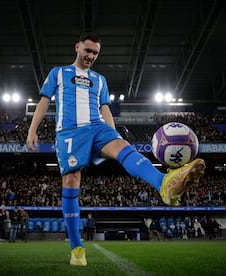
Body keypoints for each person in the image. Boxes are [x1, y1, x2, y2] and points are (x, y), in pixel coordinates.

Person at [26, 32, 205, 266]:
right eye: (88, 50)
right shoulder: (58, 73)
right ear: (77, 47)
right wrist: (32, 130)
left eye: (95, 53)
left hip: (98, 127)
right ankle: (76, 248)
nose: (91, 56)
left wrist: (113, 134)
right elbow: (44, 101)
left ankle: (165, 184)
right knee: (71, 181)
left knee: (124, 147)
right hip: (69, 132)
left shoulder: (99, 79)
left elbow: (105, 108)